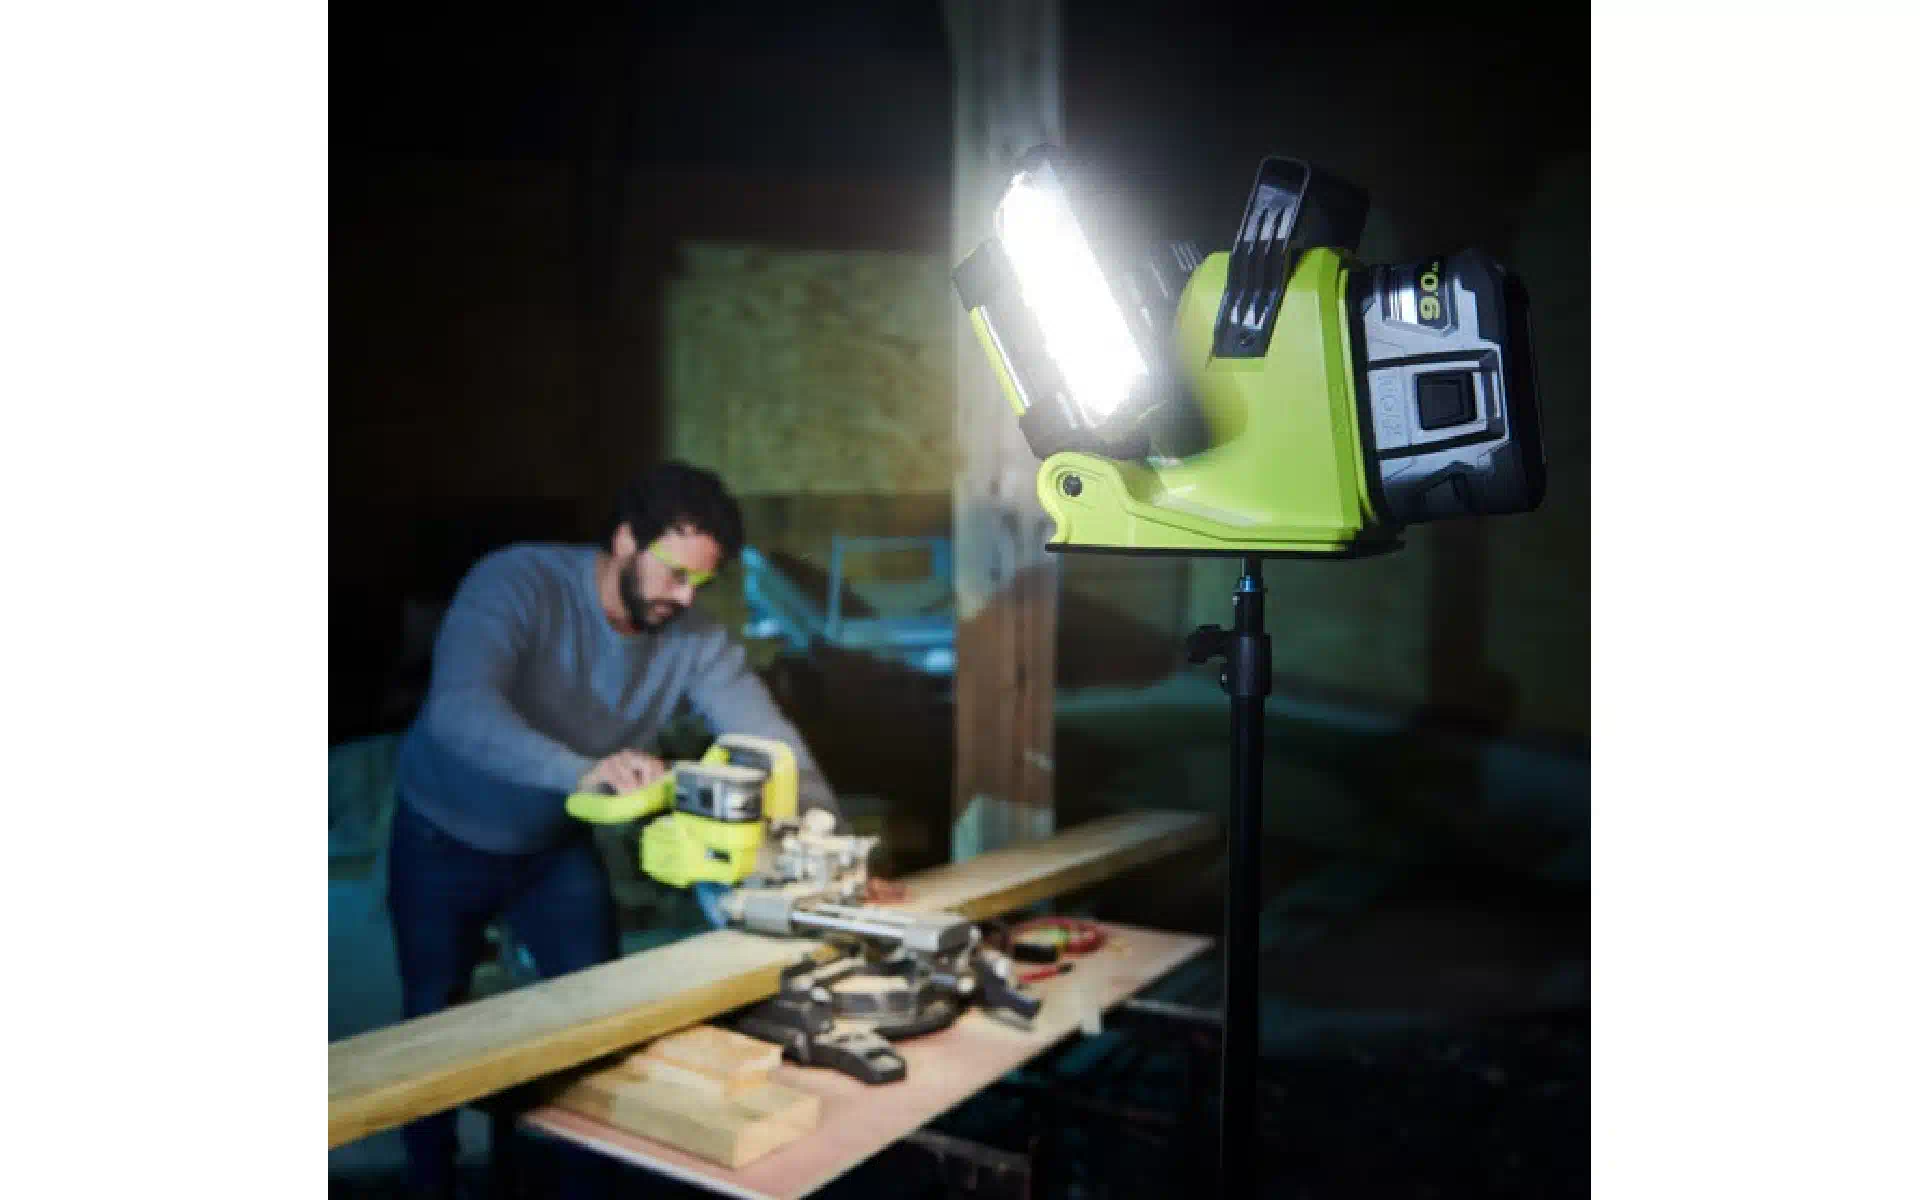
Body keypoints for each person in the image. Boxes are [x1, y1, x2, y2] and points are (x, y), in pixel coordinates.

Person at [385, 460, 842, 1198]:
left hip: (553, 848)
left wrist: (828, 849)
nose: (683, 597)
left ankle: (586, 1185)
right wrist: (581, 771)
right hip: (444, 835)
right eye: (674, 573)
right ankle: (430, 1182)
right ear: (626, 539)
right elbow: (459, 711)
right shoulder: (518, 583)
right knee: (428, 1038)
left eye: (700, 582)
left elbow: (771, 743)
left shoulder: (693, 636)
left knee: (604, 1028)